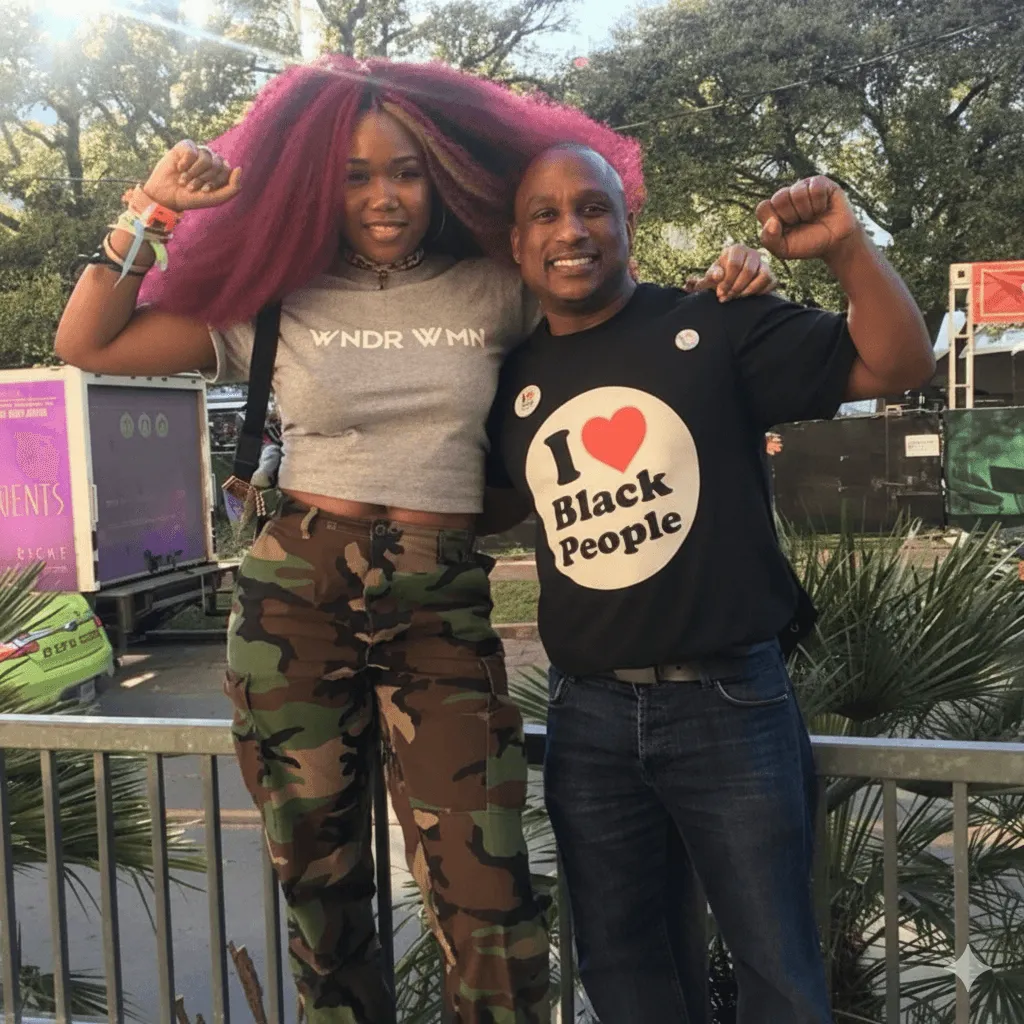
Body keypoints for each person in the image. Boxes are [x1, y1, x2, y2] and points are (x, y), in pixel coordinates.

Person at [53, 58, 776, 1024]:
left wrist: (730, 286)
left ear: (445, 174)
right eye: (356, 174)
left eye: (405, 171)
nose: (384, 196)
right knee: (324, 888)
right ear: (319, 182)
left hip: (441, 604)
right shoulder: (271, 296)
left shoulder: (494, 288)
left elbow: (611, 313)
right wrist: (151, 206)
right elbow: (88, 343)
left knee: (488, 897)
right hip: (293, 606)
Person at [485, 145, 935, 1024]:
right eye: (545, 213)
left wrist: (846, 247)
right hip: (588, 719)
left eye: (592, 208)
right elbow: (474, 505)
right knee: (625, 969)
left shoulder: (714, 325)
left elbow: (900, 365)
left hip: (730, 703)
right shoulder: (509, 384)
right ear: (515, 244)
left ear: (627, 225)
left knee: (776, 972)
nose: (570, 230)